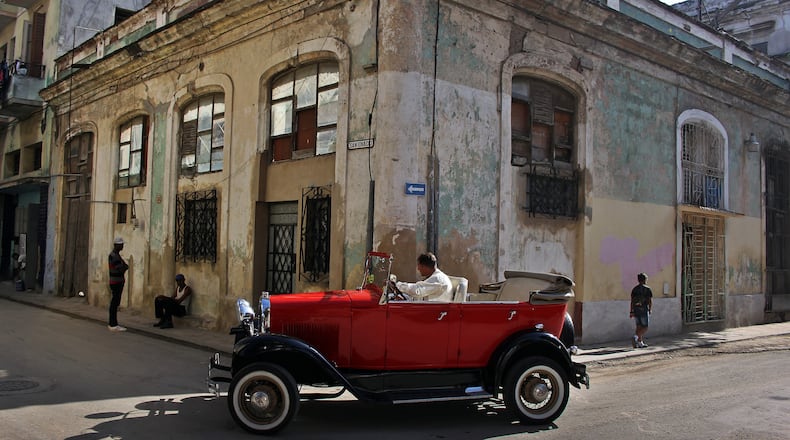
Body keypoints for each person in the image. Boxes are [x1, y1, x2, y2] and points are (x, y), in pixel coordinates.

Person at [389, 252, 454, 302]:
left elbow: (417, 291)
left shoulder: (438, 279)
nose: (418, 269)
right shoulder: (436, 277)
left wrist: (397, 285)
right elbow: (420, 295)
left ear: (424, 266)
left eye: (419, 266)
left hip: (434, 313)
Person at [108, 237, 129, 332]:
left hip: (118, 281)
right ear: (117, 245)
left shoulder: (117, 255)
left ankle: (113, 323)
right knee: (114, 303)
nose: (122, 246)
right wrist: (124, 267)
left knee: (115, 303)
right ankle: (113, 324)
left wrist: (124, 267)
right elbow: (121, 268)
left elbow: (125, 266)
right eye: (121, 245)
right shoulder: (114, 256)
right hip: (116, 281)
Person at [629, 272, 653, 348]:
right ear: (645, 280)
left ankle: (639, 342)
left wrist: (631, 311)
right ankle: (636, 337)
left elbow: (632, 301)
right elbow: (649, 300)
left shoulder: (634, 289)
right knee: (645, 327)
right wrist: (650, 309)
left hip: (636, 310)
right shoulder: (647, 289)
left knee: (638, 326)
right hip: (643, 309)